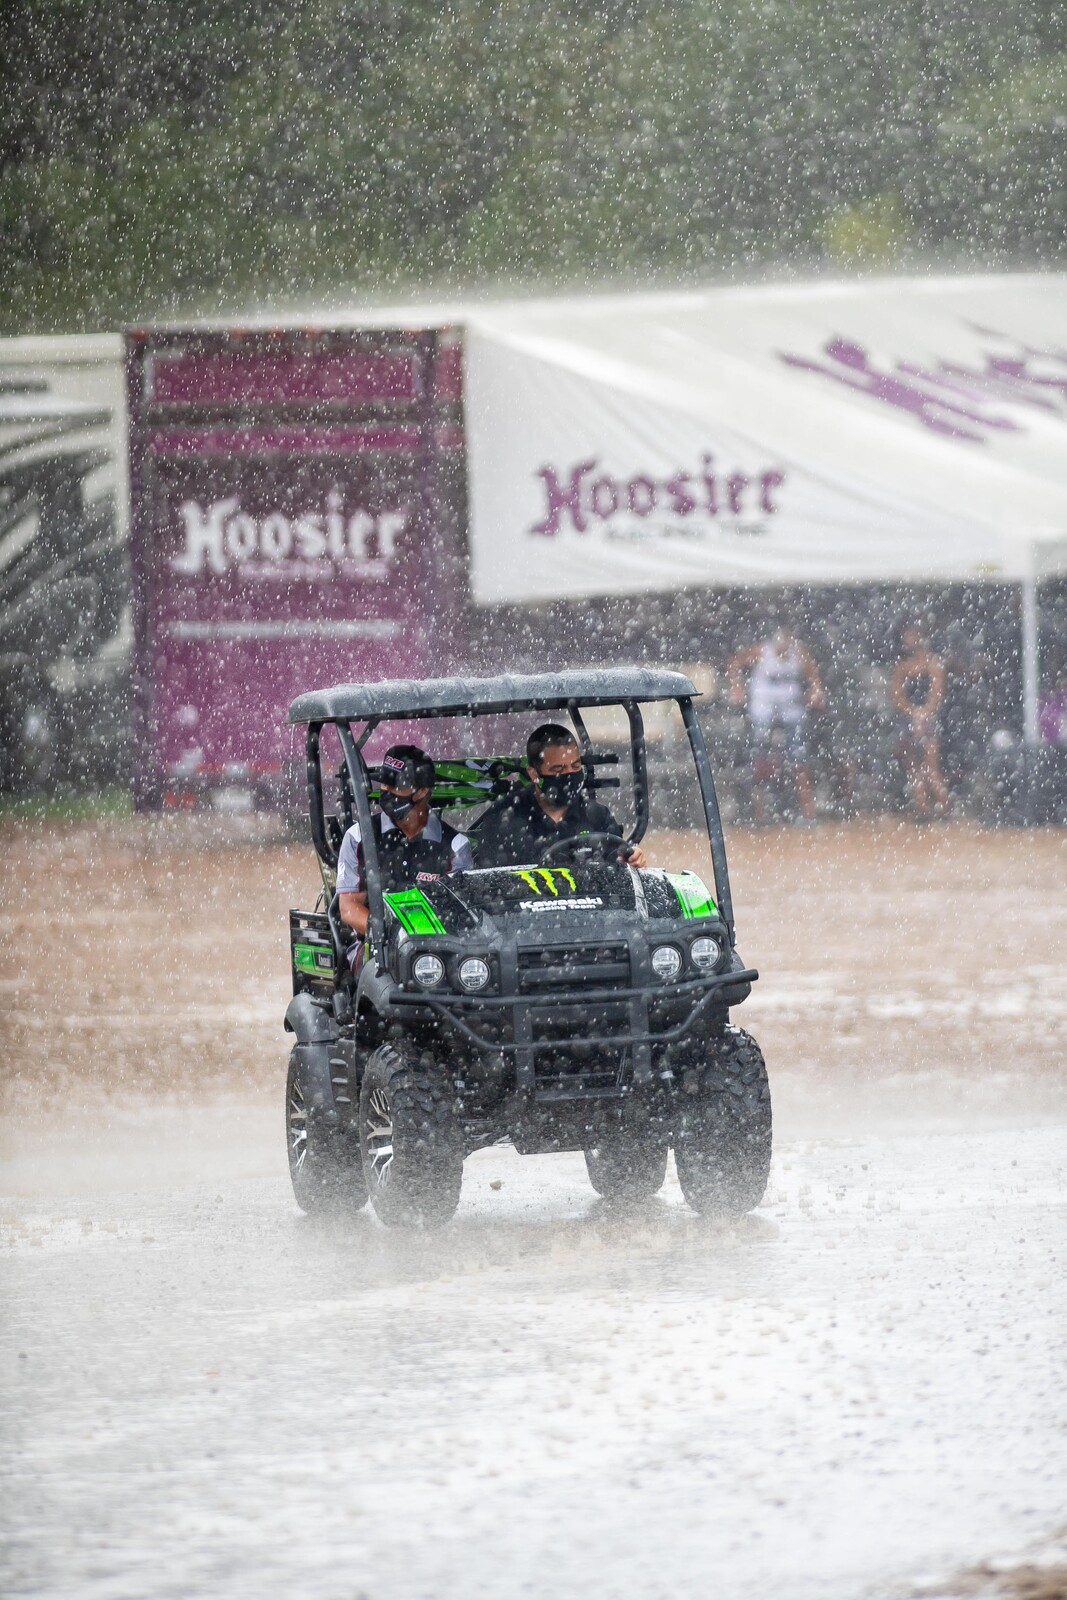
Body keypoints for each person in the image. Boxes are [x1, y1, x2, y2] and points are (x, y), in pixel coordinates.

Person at [336, 744, 473, 947]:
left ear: (422, 791)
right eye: (384, 784)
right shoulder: (358, 837)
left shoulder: (455, 847)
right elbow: (349, 908)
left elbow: (461, 912)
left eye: (396, 786)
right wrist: (392, 937)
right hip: (374, 949)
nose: (386, 791)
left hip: (438, 949)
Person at [473, 723, 647, 869]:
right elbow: (491, 882)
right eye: (558, 769)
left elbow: (618, 863)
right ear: (534, 774)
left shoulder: (597, 815)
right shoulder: (504, 818)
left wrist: (632, 860)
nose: (569, 775)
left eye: (575, 766)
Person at [727, 627, 825, 823]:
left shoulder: (799, 653)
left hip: (791, 709)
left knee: (799, 759)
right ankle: (760, 814)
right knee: (759, 759)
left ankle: (808, 813)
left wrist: (816, 691)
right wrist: (736, 686)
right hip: (763, 709)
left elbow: (813, 675)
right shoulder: (762, 651)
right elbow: (735, 662)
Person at [891, 626, 951, 820]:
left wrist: (923, 714)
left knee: (931, 767)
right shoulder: (903, 665)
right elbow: (897, 695)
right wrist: (913, 712)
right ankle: (922, 808)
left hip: (928, 720)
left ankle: (944, 807)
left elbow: (936, 694)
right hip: (908, 719)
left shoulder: (933, 664)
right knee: (914, 768)